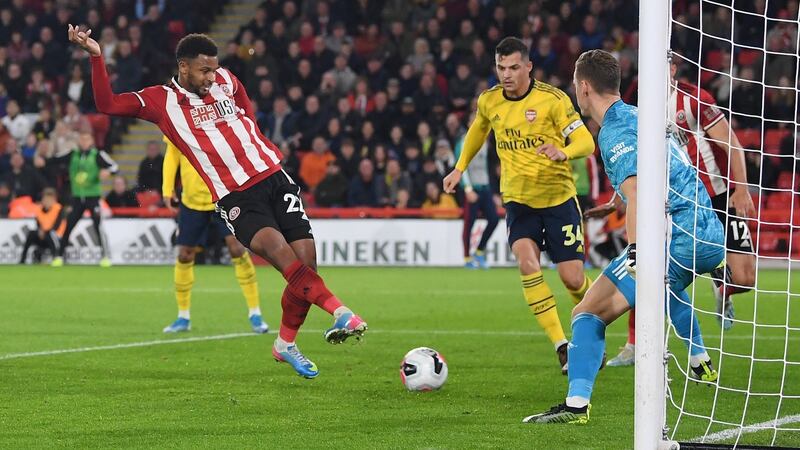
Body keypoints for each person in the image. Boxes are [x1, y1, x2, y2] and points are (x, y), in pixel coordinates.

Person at [69, 26, 366, 379]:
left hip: (273, 175)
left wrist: (256, 142)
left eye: (214, 69)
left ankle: (285, 344)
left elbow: (245, 106)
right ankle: (340, 311)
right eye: (203, 71)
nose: (212, 77)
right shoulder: (161, 101)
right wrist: (97, 56)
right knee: (285, 261)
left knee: (307, 267)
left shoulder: (224, 77)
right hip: (236, 195)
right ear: (183, 67)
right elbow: (107, 103)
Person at [523, 49, 723, 424]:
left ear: (583, 88)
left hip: (678, 236)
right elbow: (657, 176)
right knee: (663, 288)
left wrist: (635, 252)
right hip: (708, 232)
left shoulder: (613, 129)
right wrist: (618, 203)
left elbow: (640, 192)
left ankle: (576, 407)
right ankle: (701, 361)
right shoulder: (639, 115)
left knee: (587, 313)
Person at [589, 55, 758, 367]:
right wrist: (617, 200)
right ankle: (633, 343)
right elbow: (634, 162)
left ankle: (723, 289)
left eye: (662, 66)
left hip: (717, 195)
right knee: (650, 267)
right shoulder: (641, 107)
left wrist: (742, 187)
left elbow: (731, 142)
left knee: (745, 277)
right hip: (675, 205)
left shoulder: (693, 100)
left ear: (672, 68)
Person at [443, 37, 595, 374]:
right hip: (518, 201)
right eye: (501, 68)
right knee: (527, 264)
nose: (506, 74)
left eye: (513, 67)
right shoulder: (490, 101)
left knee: (572, 279)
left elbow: (585, 140)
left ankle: (590, 326)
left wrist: (564, 151)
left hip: (558, 200)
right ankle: (561, 346)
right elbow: (477, 131)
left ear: (528, 66)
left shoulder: (553, 100)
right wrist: (459, 168)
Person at [161, 136, 268, 335]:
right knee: (184, 254)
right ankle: (183, 316)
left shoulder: (214, 119)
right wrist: (167, 189)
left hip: (223, 196)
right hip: (192, 201)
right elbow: (172, 154)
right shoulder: (176, 119)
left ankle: (255, 313)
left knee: (236, 248)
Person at [51, 132, 116, 267]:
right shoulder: (72, 154)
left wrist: (108, 172)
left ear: (91, 141)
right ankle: (59, 256)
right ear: (79, 141)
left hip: (92, 197)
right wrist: (43, 158)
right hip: (77, 198)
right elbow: (54, 159)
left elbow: (114, 166)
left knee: (98, 226)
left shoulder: (98, 154)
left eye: (87, 139)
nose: (84, 142)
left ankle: (105, 256)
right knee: (68, 226)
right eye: (82, 139)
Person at [455, 114, 499, 269]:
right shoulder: (462, 141)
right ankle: (467, 258)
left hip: (485, 187)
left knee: (493, 219)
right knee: (469, 223)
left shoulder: (486, 142)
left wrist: (494, 191)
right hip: (472, 189)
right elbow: (461, 167)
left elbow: (487, 168)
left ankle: (479, 252)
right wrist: (467, 189)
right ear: (468, 124)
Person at [19, 188, 64, 264]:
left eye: (49, 199)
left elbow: (56, 226)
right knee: (32, 233)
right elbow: (38, 224)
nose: (47, 201)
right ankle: (22, 259)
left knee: (50, 234)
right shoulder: (39, 209)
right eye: (45, 198)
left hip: (56, 236)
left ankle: (56, 258)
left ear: (54, 200)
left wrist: (45, 232)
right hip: (43, 235)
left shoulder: (58, 208)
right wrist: (40, 231)